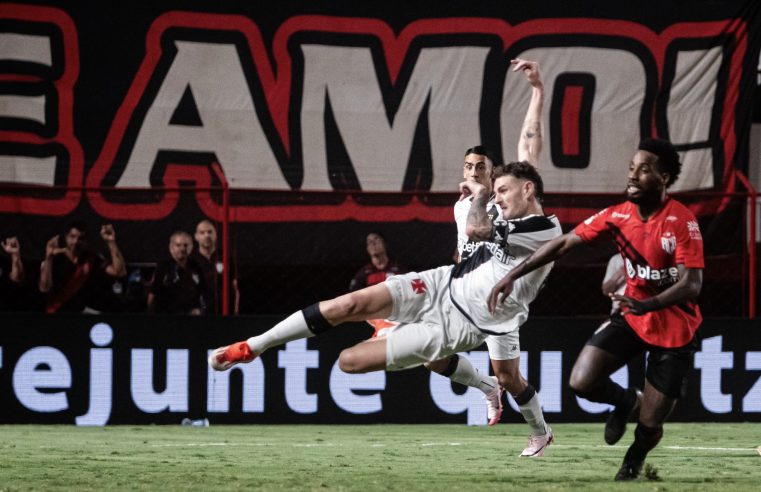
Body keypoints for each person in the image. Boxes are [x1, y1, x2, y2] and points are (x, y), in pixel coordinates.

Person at [210, 161, 562, 456]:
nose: (497, 197)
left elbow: (477, 226)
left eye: (503, 190)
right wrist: (536, 92)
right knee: (350, 303)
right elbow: (521, 156)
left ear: (528, 189)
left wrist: (482, 195)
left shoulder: (544, 231)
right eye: (495, 190)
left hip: (463, 324)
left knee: (349, 361)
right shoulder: (505, 214)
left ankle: (538, 429)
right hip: (442, 283)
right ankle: (255, 345)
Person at [488, 138, 703, 481]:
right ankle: (625, 402)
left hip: (673, 330)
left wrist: (649, 303)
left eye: (644, 169)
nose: (633, 175)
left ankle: (633, 460)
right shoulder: (619, 215)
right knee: (581, 381)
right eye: (632, 168)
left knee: (650, 425)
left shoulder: (680, 221)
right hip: (632, 317)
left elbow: (692, 285)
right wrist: (513, 274)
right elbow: (563, 243)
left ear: (664, 178)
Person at [421, 59, 552, 456]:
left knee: (510, 376)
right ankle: (483, 387)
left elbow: (529, 144)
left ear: (495, 173)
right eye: (468, 165)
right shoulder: (462, 208)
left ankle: (540, 431)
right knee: (428, 352)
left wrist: (537, 90)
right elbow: (463, 250)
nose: (474, 171)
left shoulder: (508, 199)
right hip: (467, 293)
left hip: (502, 298)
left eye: (481, 166)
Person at [39, 222, 127, 313]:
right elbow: (44, 288)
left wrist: (111, 242)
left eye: (80, 238)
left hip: (80, 315)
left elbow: (119, 272)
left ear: (86, 240)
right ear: (66, 237)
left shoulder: (92, 258)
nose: (76, 241)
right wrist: (48, 257)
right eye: (72, 236)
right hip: (55, 313)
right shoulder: (56, 258)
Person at [148, 231, 207, 315]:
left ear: (191, 248)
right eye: (178, 245)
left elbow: (203, 293)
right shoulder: (163, 267)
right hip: (167, 316)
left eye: (185, 245)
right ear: (171, 248)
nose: (182, 249)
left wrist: (200, 310)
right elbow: (153, 295)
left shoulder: (196, 268)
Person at [191, 219, 239, 315]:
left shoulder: (226, 257)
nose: (207, 235)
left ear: (216, 235)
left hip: (225, 313)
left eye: (210, 232)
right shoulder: (191, 261)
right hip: (200, 314)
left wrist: (236, 310)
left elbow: (235, 287)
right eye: (202, 233)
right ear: (196, 236)